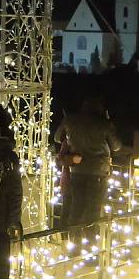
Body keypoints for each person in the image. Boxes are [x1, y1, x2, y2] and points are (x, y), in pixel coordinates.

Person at [54, 95, 121, 226]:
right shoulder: (104, 123)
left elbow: (57, 137)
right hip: (99, 171)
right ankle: (90, 242)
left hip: (77, 169)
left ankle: (75, 242)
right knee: (93, 212)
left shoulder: (70, 120)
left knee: (76, 209)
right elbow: (116, 146)